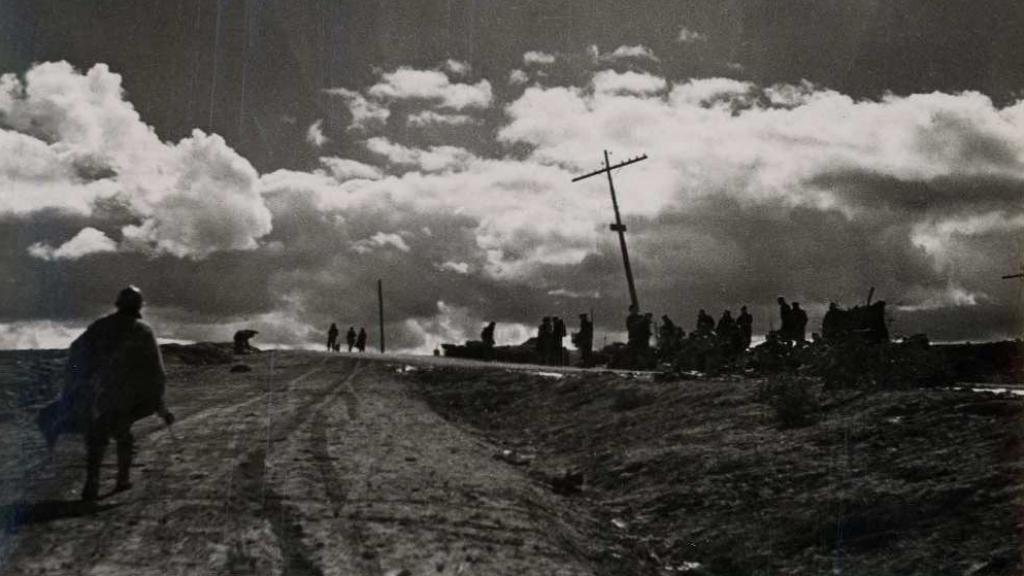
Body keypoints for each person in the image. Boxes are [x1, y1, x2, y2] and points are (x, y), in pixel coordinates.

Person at [58, 286, 173, 501]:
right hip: (127, 398)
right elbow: (156, 372)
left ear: (118, 304)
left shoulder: (99, 327)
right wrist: (161, 405)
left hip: (99, 396)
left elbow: (76, 352)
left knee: (96, 438)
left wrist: (76, 384)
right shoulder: (143, 331)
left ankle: (91, 484)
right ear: (139, 306)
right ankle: (122, 480)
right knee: (123, 435)